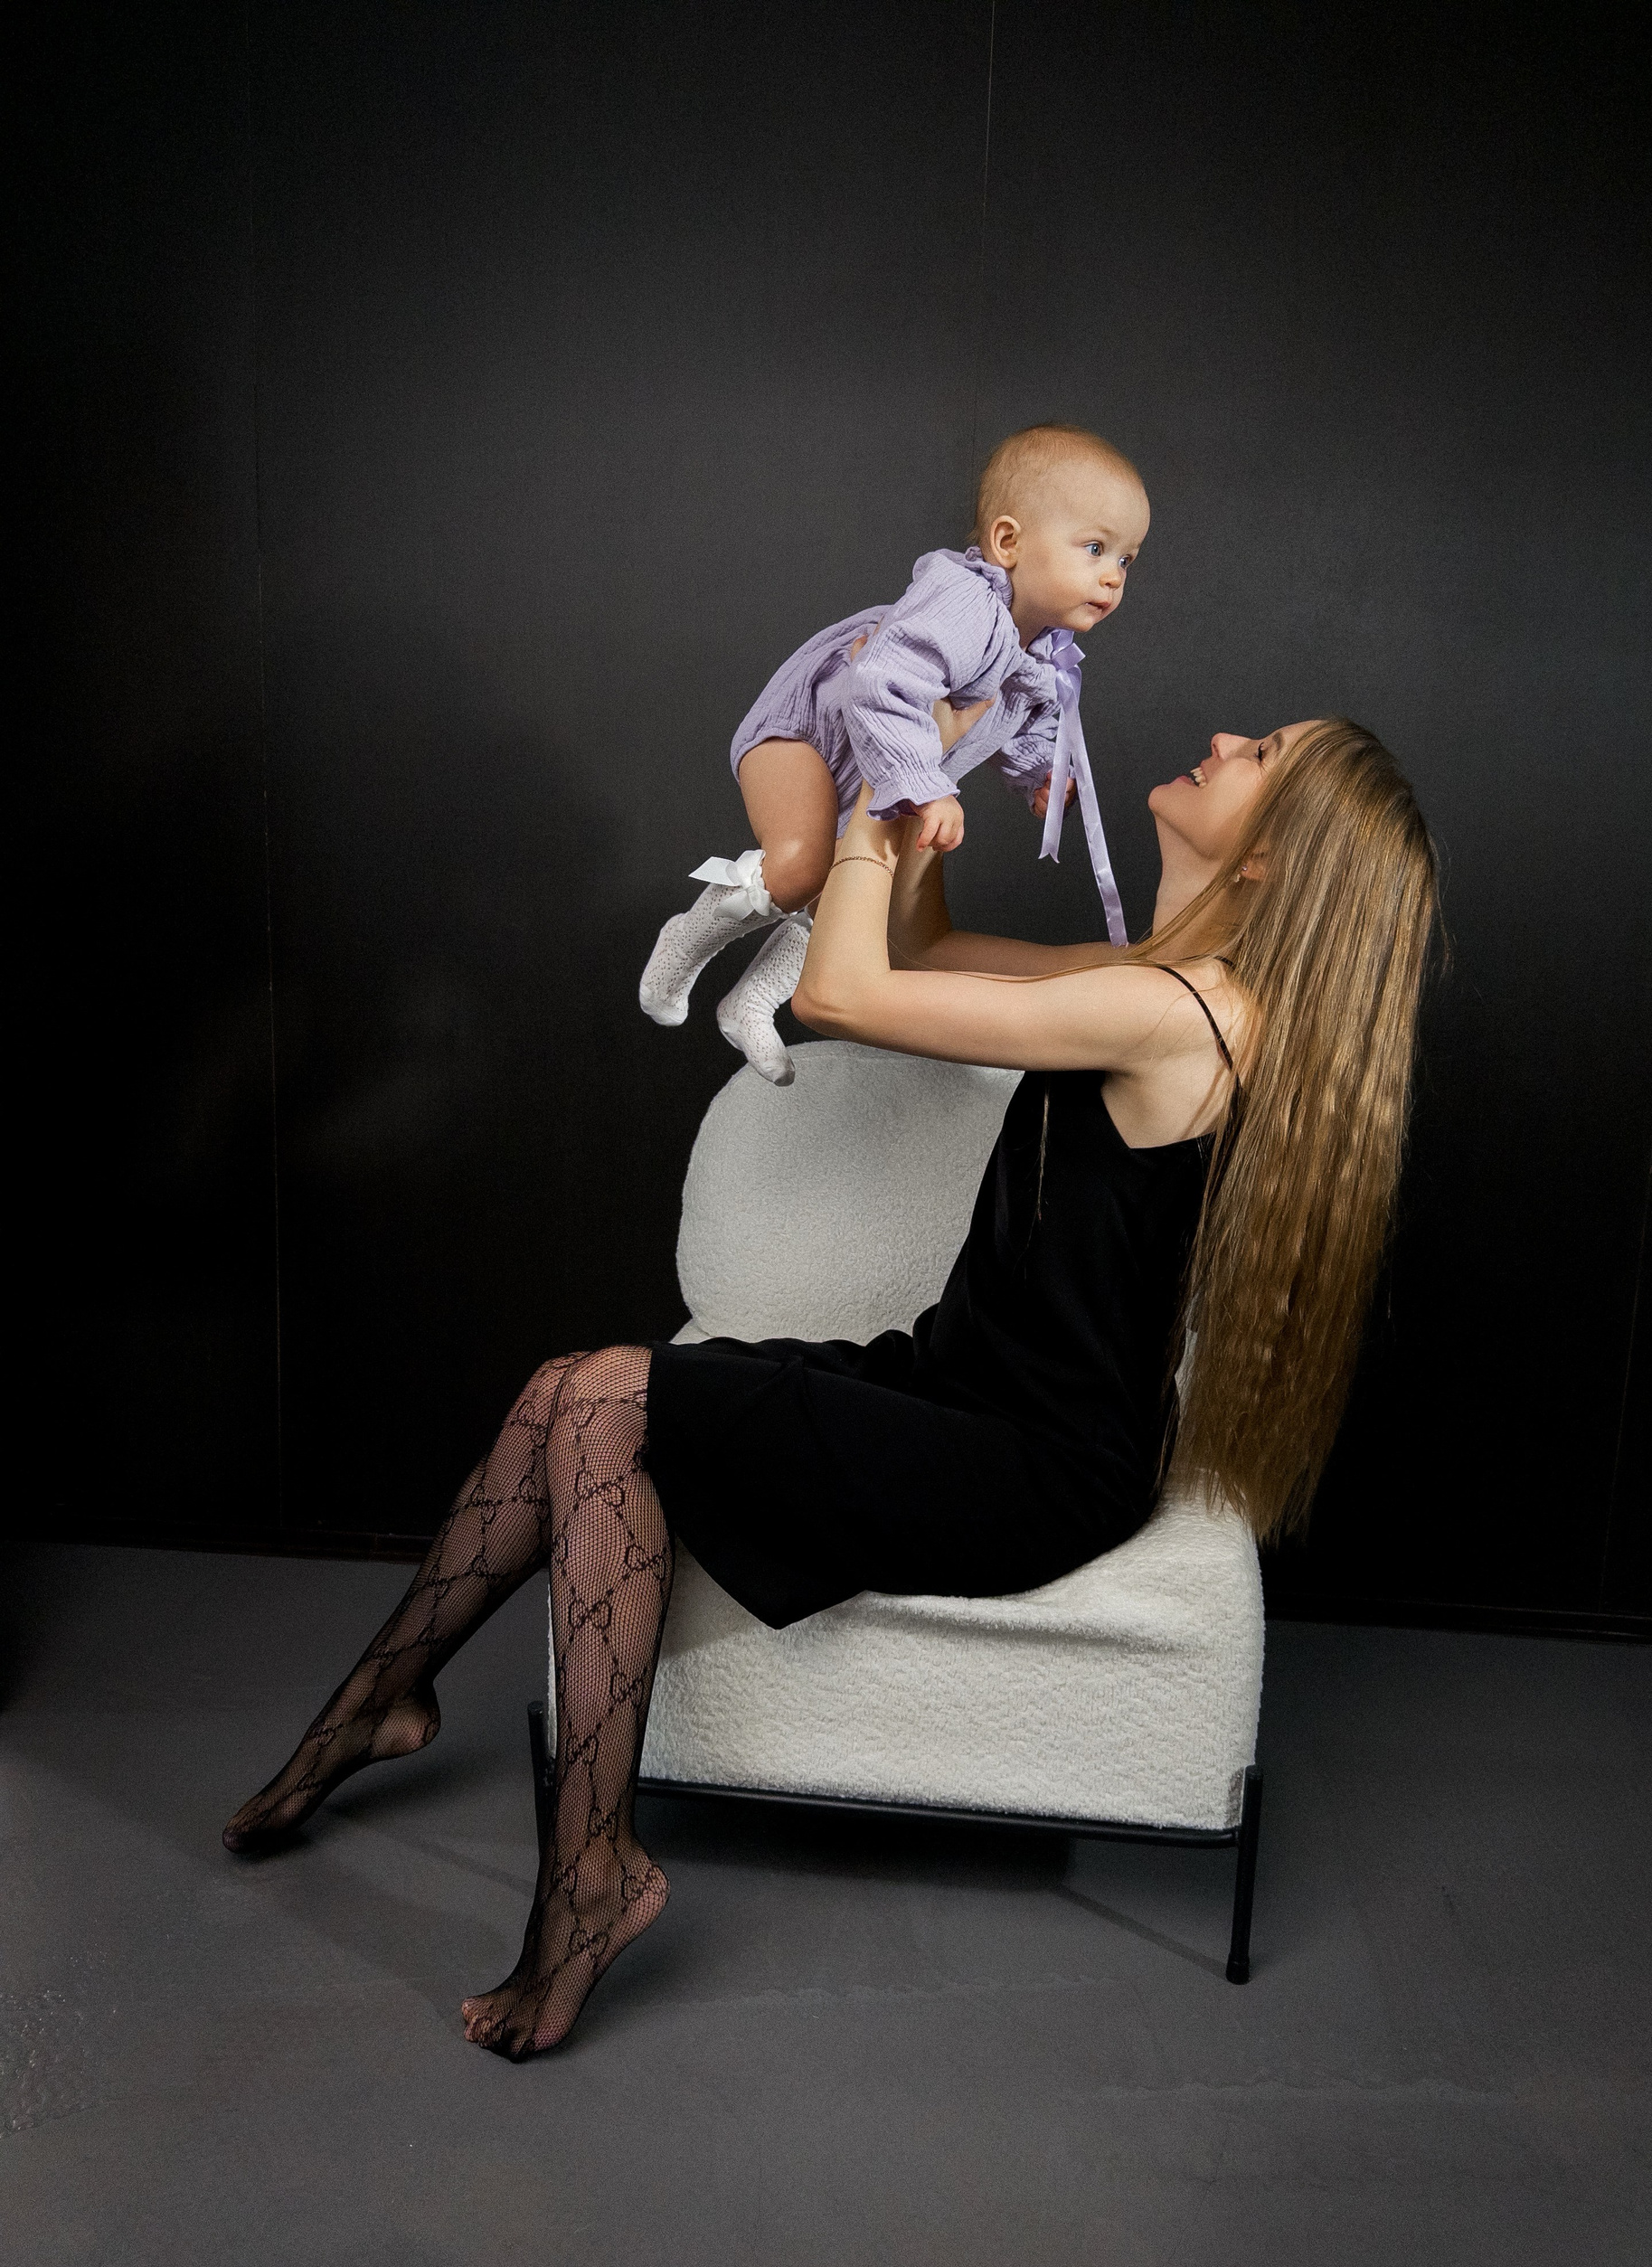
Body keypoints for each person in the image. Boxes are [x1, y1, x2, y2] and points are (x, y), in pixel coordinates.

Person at [224, 715, 1440, 2063]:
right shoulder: (1155, 983)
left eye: (1261, 753)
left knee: (604, 1402)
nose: (1223, 737)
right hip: (957, 1387)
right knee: (572, 1389)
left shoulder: (1180, 1014)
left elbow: (846, 994)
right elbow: (921, 949)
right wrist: (922, 806)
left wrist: (877, 781)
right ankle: (386, 1709)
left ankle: (579, 1870)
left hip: (1028, 1465)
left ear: (1271, 860)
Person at [637, 423, 1149, 1083]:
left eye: (1127, 560)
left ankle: (752, 1002)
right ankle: (685, 938)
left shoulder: (1044, 656)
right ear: (1008, 542)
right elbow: (880, 680)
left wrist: (1038, 780)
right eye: (1095, 548)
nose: (1112, 577)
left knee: (848, 905)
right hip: (808, 734)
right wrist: (926, 785)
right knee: (801, 865)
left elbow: (1021, 725)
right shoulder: (965, 603)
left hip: (875, 771)